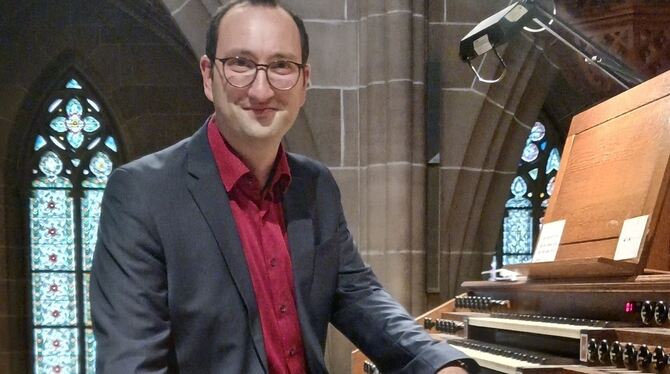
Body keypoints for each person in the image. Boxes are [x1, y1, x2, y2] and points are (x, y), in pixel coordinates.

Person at [90, 0, 478, 373]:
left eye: (281, 66)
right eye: (240, 63)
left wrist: (438, 362)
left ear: (304, 81)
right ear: (208, 76)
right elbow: (132, 362)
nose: (261, 90)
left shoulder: (315, 186)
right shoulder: (142, 193)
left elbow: (359, 296)